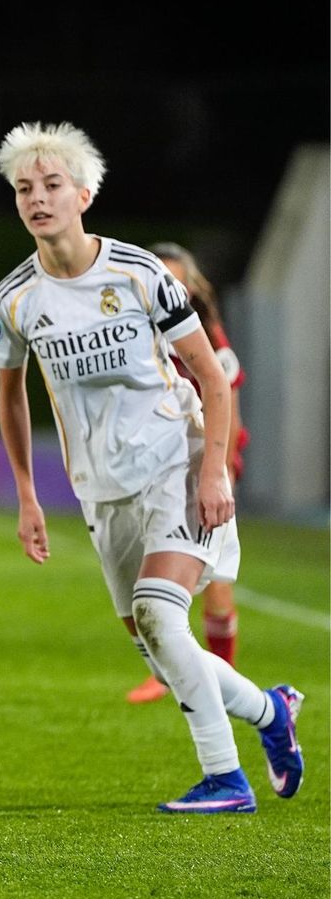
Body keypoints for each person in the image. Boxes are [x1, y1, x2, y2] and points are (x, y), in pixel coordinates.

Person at [0, 120, 302, 813]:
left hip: (175, 462)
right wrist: (27, 497)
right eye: (23, 189)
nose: (37, 198)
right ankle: (272, 713)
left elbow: (213, 380)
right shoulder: (14, 298)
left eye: (51, 184)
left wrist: (214, 470)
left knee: (162, 614)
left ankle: (225, 779)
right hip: (100, 489)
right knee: (160, 647)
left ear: (84, 193)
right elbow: (11, 399)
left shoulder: (139, 272)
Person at [124, 241, 250, 704]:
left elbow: (227, 402)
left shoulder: (210, 340)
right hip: (158, 469)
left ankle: (224, 676)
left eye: (176, 278)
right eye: (161, 277)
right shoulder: (139, 335)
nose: (169, 287)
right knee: (159, 581)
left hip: (205, 466)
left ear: (190, 285)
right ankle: (167, 674)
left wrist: (222, 469)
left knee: (215, 588)